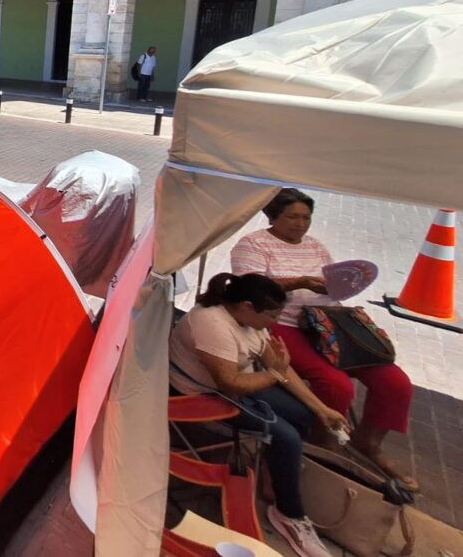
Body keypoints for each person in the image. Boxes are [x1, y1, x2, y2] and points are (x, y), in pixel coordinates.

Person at [231, 188, 417, 491]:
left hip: (326, 321)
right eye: (292, 217)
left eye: (306, 217)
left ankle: (368, 442)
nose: (300, 224)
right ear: (273, 215)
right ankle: (318, 448)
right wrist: (302, 282)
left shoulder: (315, 246)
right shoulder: (253, 244)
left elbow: (334, 286)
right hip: (282, 323)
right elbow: (248, 289)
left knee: (395, 383)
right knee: (336, 386)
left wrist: (341, 286)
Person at [171, 273, 343, 557]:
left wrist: (321, 408)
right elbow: (232, 383)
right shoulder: (212, 325)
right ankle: (289, 515)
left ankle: (277, 472)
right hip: (204, 395)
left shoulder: (250, 321)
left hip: (243, 384)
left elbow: (280, 367)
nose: (275, 323)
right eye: (272, 316)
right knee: (286, 437)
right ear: (248, 307)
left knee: (302, 415)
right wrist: (274, 373)